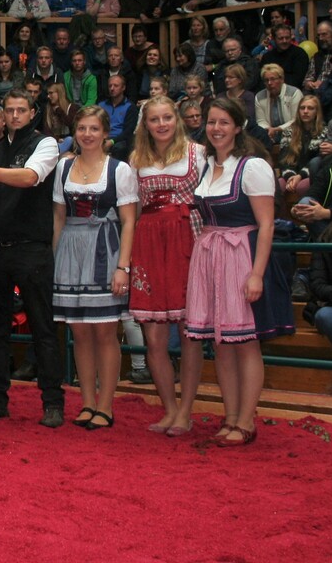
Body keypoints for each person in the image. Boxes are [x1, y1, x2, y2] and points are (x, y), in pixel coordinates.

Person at [185, 98, 292, 446]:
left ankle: (246, 420)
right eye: (212, 122)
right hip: (211, 255)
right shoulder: (206, 164)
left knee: (246, 344)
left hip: (242, 256)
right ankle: (229, 417)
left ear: (238, 126)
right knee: (222, 344)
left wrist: (257, 274)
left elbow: (266, 225)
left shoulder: (253, 166)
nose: (216, 128)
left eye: (224, 122)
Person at [0, 88, 64, 427]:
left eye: (22, 109)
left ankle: (52, 402)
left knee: (43, 328)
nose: (16, 115)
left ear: (33, 111)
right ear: (3, 113)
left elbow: (30, 177)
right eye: (10, 110)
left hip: (32, 248)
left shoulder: (45, 144)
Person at [52, 106, 137, 429]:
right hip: (72, 251)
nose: (87, 134)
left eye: (94, 129)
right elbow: (59, 218)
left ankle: (106, 405)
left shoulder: (119, 170)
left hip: (105, 248)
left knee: (104, 331)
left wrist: (123, 267)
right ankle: (87, 402)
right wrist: (55, 258)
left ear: (105, 134)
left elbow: (129, 221)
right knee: (79, 331)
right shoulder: (64, 169)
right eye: (82, 128)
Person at [128, 96, 207, 434]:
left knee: (190, 334)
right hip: (148, 242)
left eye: (166, 118)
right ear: (145, 124)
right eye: (154, 119)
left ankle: (186, 411)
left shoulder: (198, 153)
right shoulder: (135, 159)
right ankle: (169, 408)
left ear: (177, 119)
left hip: (186, 239)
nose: (161, 125)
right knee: (154, 339)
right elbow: (130, 210)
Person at [278, 95, 323, 196]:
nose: (305, 111)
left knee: (302, 187)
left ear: (317, 112)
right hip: (290, 173)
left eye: (310, 108)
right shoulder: (289, 131)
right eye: (302, 108)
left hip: (311, 175)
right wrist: (290, 176)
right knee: (278, 185)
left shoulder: (323, 132)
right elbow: (283, 159)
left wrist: (300, 176)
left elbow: (317, 161)